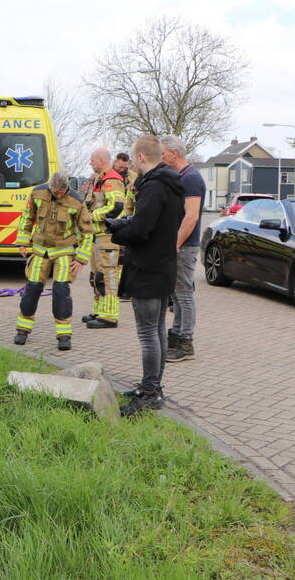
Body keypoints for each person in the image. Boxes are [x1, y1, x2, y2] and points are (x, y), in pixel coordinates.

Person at [105, 135, 185, 417]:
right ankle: (152, 387)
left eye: (132, 158)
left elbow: (141, 229)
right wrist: (126, 223)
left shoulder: (153, 187)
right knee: (158, 330)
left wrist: (116, 231)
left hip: (148, 269)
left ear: (140, 157)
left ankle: (150, 392)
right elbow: (157, 222)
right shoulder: (172, 185)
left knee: (148, 333)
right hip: (163, 266)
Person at [13, 172, 94, 351]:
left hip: (64, 252)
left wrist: (81, 259)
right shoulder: (37, 193)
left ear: (67, 188)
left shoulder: (77, 201)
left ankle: (63, 334)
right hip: (40, 251)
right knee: (32, 289)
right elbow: (27, 217)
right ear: (50, 188)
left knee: (61, 291)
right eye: (55, 192)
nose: (58, 194)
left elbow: (88, 232)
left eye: (61, 192)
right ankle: (22, 329)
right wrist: (22, 242)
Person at [160, 135, 205, 363]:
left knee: (184, 293)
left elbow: (191, 216)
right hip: (178, 243)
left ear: (174, 153)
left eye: (163, 153)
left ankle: (185, 342)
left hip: (185, 245)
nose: (161, 156)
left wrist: (176, 243)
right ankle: (176, 335)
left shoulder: (191, 178)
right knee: (176, 293)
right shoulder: (181, 176)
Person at [83, 147, 126, 328]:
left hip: (108, 237)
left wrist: (92, 215)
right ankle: (99, 310)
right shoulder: (99, 179)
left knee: (107, 275)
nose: (90, 162)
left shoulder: (111, 180)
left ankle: (109, 316)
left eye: (92, 159)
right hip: (97, 236)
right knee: (97, 275)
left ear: (101, 160)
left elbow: (116, 207)